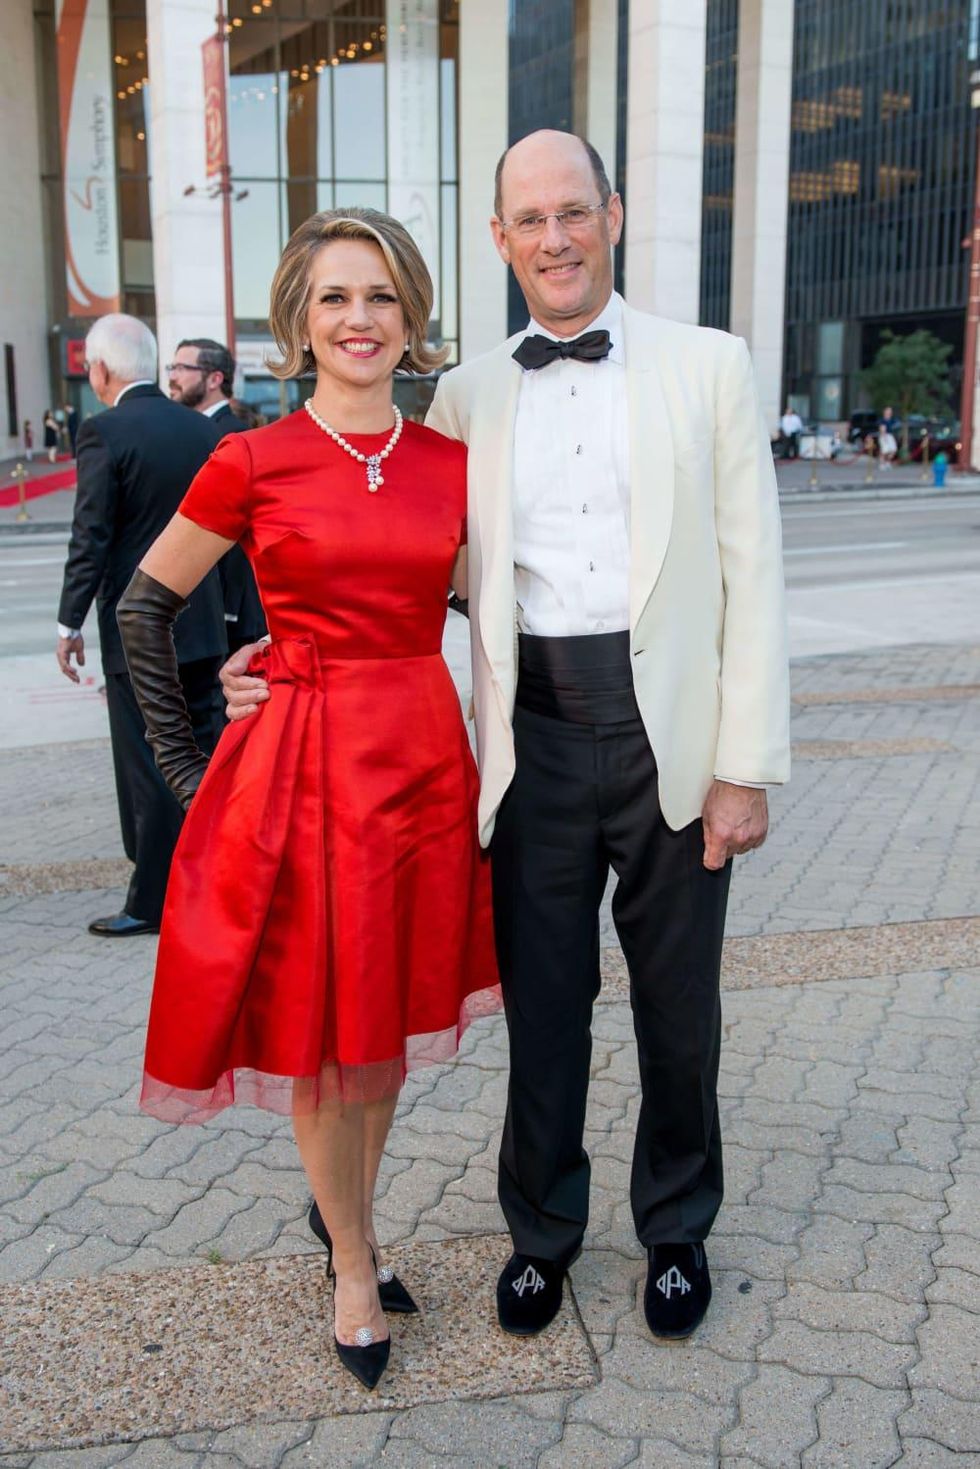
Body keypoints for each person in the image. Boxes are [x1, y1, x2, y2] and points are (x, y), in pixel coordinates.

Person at [222, 132, 790, 1346]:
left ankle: (676, 1227)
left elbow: (753, 577)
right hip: (527, 741)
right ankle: (540, 1232)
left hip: (674, 739)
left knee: (676, 1007)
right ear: (498, 239)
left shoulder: (708, 365)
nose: (554, 238)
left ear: (611, 216)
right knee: (543, 1006)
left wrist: (744, 765)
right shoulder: (465, 393)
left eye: (572, 211)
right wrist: (271, 653)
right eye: (528, 219)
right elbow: (394, 561)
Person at [115, 209, 500, 1390]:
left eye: (380, 295)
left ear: (411, 315)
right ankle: (352, 1261)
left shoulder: (453, 465)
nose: (358, 318)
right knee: (324, 1042)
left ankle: (348, 1217)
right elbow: (142, 607)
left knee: (380, 1029)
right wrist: (188, 770)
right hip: (305, 776)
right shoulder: (252, 458)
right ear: (298, 320)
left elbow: (488, 607)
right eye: (334, 296)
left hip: (423, 769)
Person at [55, 314, 227, 937]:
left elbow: (92, 534)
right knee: (202, 756)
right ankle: (213, 881)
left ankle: (152, 901)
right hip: (204, 626)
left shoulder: (104, 431)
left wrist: (69, 621)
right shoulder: (200, 428)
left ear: (101, 370)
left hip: (139, 630)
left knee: (149, 764)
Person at [166, 338, 267, 653]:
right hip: (206, 607)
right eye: (172, 367)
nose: (172, 376)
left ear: (214, 379)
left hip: (232, 611)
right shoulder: (196, 431)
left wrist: (228, 608)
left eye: (182, 368)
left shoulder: (233, 436)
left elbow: (244, 529)